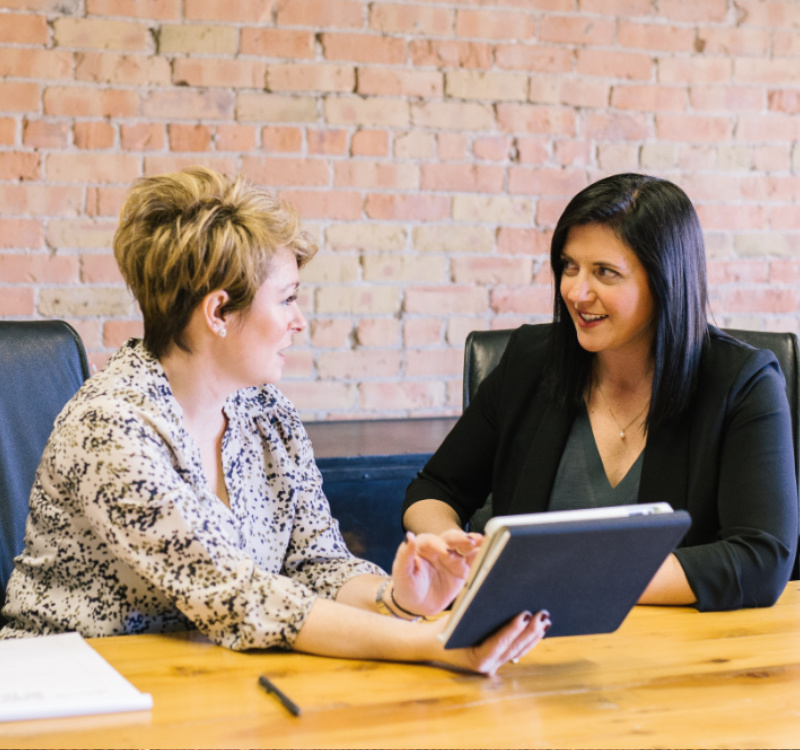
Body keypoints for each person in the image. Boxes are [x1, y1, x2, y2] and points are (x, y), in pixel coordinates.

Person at [0, 167, 550, 674]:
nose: (300, 322)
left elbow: (317, 562)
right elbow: (238, 597)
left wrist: (400, 599)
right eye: (286, 299)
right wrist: (432, 643)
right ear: (218, 312)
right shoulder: (111, 427)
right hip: (70, 690)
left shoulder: (266, 411)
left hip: (208, 678)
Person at [403, 172, 798, 612]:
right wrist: (449, 548)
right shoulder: (530, 361)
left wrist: (567, 578)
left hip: (679, 651)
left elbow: (761, 557)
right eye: (569, 267)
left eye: (605, 273)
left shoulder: (744, 383)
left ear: (665, 280)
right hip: (526, 644)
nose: (576, 291)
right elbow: (434, 489)